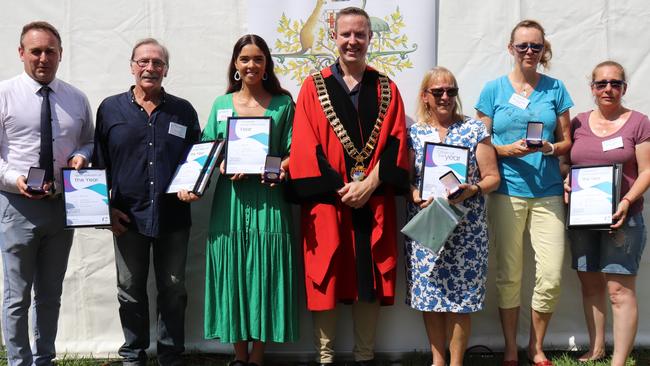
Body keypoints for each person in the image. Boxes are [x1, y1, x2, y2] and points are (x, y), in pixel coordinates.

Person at [289, 7, 409, 366]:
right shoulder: (314, 87)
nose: (352, 41)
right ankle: (324, 358)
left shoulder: (386, 87)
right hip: (328, 202)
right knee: (325, 272)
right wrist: (342, 188)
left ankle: (365, 356)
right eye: (346, 35)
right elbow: (305, 145)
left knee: (370, 272)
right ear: (334, 37)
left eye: (360, 34)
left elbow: (397, 142)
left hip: (372, 202)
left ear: (370, 38)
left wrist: (370, 184)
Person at [92, 38, 200, 366]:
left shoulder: (183, 110)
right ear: (132, 66)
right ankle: (133, 356)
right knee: (129, 290)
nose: (150, 67)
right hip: (127, 218)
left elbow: (197, 160)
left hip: (173, 217)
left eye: (157, 62)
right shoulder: (110, 109)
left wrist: (196, 184)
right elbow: (99, 165)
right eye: (143, 61)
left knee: (173, 289)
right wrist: (105, 210)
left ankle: (170, 355)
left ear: (166, 70)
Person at [475, 19, 573, 366]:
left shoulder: (556, 88)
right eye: (523, 46)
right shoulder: (493, 90)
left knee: (551, 273)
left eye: (536, 46)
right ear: (511, 49)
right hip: (507, 191)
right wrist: (506, 151)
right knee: (509, 273)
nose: (529, 51)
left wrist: (549, 149)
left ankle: (537, 346)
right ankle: (512, 348)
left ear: (544, 49)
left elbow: (567, 142)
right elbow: (481, 143)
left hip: (547, 190)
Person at [0, 21, 93, 366]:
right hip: (16, 206)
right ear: (21, 53)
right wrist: (13, 179)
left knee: (50, 294)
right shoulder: (4, 93)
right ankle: (18, 362)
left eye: (50, 51)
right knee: (16, 297)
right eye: (35, 51)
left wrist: (83, 154)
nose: (43, 58)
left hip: (60, 207)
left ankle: (45, 359)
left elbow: (88, 139)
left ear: (60, 55)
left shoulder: (76, 98)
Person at [202, 34, 298, 366]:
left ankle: (257, 356)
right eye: (244, 59)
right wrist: (223, 162)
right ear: (235, 65)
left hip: (268, 200)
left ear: (267, 64)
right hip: (229, 201)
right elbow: (207, 151)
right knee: (234, 272)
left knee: (263, 272)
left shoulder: (284, 104)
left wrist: (270, 167)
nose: (251, 65)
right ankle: (238, 356)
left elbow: (293, 154)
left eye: (258, 59)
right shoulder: (220, 105)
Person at [406, 67, 500, 366]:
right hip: (428, 225)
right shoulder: (414, 133)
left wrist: (472, 188)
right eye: (438, 92)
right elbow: (405, 180)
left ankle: (456, 362)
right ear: (425, 96)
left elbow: (492, 178)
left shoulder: (474, 130)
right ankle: (438, 360)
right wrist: (414, 194)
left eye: (451, 91)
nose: (445, 97)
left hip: (466, 228)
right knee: (430, 298)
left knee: (462, 299)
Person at [564, 61, 650, 366]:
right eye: (601, 84)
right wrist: (566, 181)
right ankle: (596, 348)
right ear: (592, 89)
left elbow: (647, 171)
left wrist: (626, 201)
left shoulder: (639, 122)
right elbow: (567, 164)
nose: (608, 89)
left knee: (618, 291)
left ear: (624, 88)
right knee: (590, 285)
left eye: (615, 83)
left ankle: (619, 360)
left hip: (623, 218)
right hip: (583, 217)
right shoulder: (577, 124)